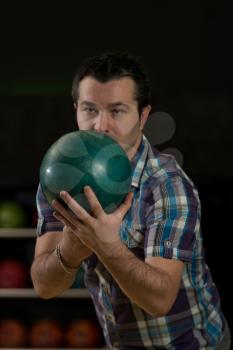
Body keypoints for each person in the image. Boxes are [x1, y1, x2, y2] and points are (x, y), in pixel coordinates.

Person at [30, 52, 231, 349]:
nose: (100, 126)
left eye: (117, 110)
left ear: (144, 115)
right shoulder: (61, 178)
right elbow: (44, 286)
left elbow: (160, 299)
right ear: (76, 110)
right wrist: (69, 254)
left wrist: (106, 245)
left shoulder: (168, 185)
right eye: (90, 109)